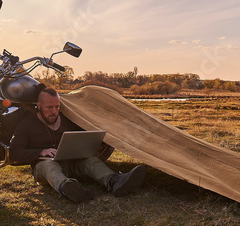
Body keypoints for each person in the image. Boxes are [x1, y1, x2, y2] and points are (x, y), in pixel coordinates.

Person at [10, 87, 146, 203]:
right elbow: (14, 153)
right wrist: (41, 152)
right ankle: (67, 188)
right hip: (44, 169)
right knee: (48, 165)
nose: (54, 111)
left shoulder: (67, 121)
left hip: (72, 164)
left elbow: (84, 138)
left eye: (57, 107)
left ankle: (114, 181)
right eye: (49, 107)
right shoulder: (27, 124)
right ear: (39, 106)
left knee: (90, 160)